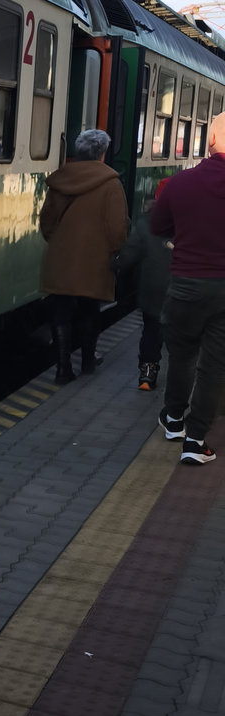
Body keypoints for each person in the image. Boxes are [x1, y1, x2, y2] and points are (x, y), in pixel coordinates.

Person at [151, 110, 225, 465]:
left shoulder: (181, 183)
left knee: (181, 356)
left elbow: (157, 227)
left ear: (211, 140)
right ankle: (195, 442)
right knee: (214, 365)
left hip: (186, 284)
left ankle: (173, 420)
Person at [39, 128, 129, 383]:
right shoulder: (111, 183)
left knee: (61, 312)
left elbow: (47, 221)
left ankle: (62, 369)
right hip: (94, 260)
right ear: (102, 154)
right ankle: (88, 362)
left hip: (60, 257)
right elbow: (117, 228)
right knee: (90, 309)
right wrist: (116, 251)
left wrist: (59, 243)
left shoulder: (60, 180)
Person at [116, 177, 173, 391]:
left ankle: (147, 376)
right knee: (182, 336)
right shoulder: (193, 222)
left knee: (151, 331)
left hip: (153, 289)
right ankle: (180, 379)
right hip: (182, 288)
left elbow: (129, 255)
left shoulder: (145, 222)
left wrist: (114, 265)